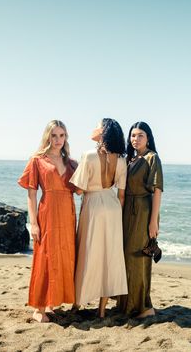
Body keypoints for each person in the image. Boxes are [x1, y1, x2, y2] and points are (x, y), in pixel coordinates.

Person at [18, 120, 77, 322]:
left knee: (63, 257)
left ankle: (53, 302)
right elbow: (31, 195)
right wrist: (33, 223)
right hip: (48, 213)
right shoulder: (37, 160)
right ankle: (39, 308)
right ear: (47, 136)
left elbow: (83, 188)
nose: (58, 140)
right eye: (54, 135)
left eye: (62, 135)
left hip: (68, 215)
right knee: (44, 257)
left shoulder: (71, 162)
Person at [70, 118, 128, 318]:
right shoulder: (121, 159)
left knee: (89, 253)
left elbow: (78, 190)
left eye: (97, 125)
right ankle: (102, 310)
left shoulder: (88, 155)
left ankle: (77, 303)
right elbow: (121, 195)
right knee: (108, 257)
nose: (94, 128)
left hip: (93, 205)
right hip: (112, 207)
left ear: (103, 132)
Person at [118, 121, 163, 318]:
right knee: (126, 257)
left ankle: (144, 307)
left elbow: (157, 191)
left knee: (138, 258)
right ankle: (127, 305)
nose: (136, 139)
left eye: (140, 135)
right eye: (133, 135)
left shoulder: (152, 158)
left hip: (143, 212)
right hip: (127, 210)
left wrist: (153, 221)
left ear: (148, 138)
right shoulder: (130, 159)